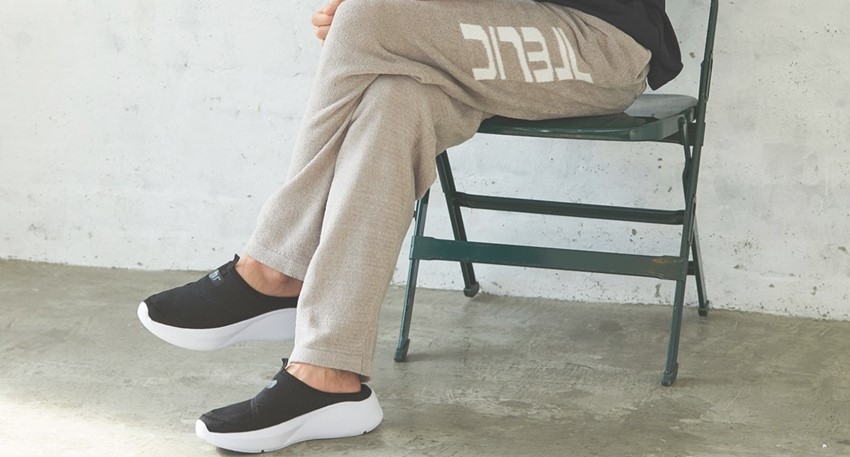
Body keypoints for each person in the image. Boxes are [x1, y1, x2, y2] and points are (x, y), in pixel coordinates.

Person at [137, 0, 682, 452]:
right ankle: (328, 373)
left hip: (602, 45)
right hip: (502, 28)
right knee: (393, 98)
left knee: (368, 20)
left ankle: (275, 268)